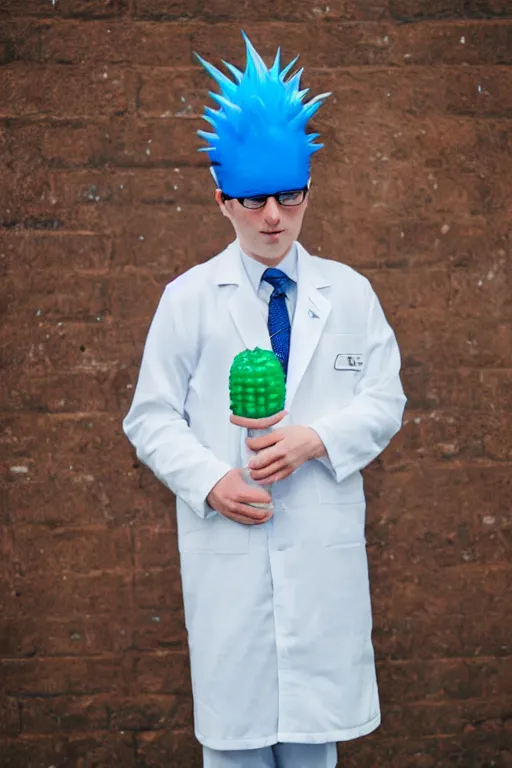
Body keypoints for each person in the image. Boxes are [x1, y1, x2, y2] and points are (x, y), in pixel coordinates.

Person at [123, 32, 406, 768]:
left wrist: (316, 438)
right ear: (222, 199)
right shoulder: (187, 300)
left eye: (290, 196)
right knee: (237, 753)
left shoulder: (350, 293)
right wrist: (208, 482)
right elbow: (149, 416)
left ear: (309, 190)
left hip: (320, 557)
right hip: (231, 557)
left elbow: (384, 398)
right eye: (253, 200)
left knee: (314, 751)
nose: (273, 217)